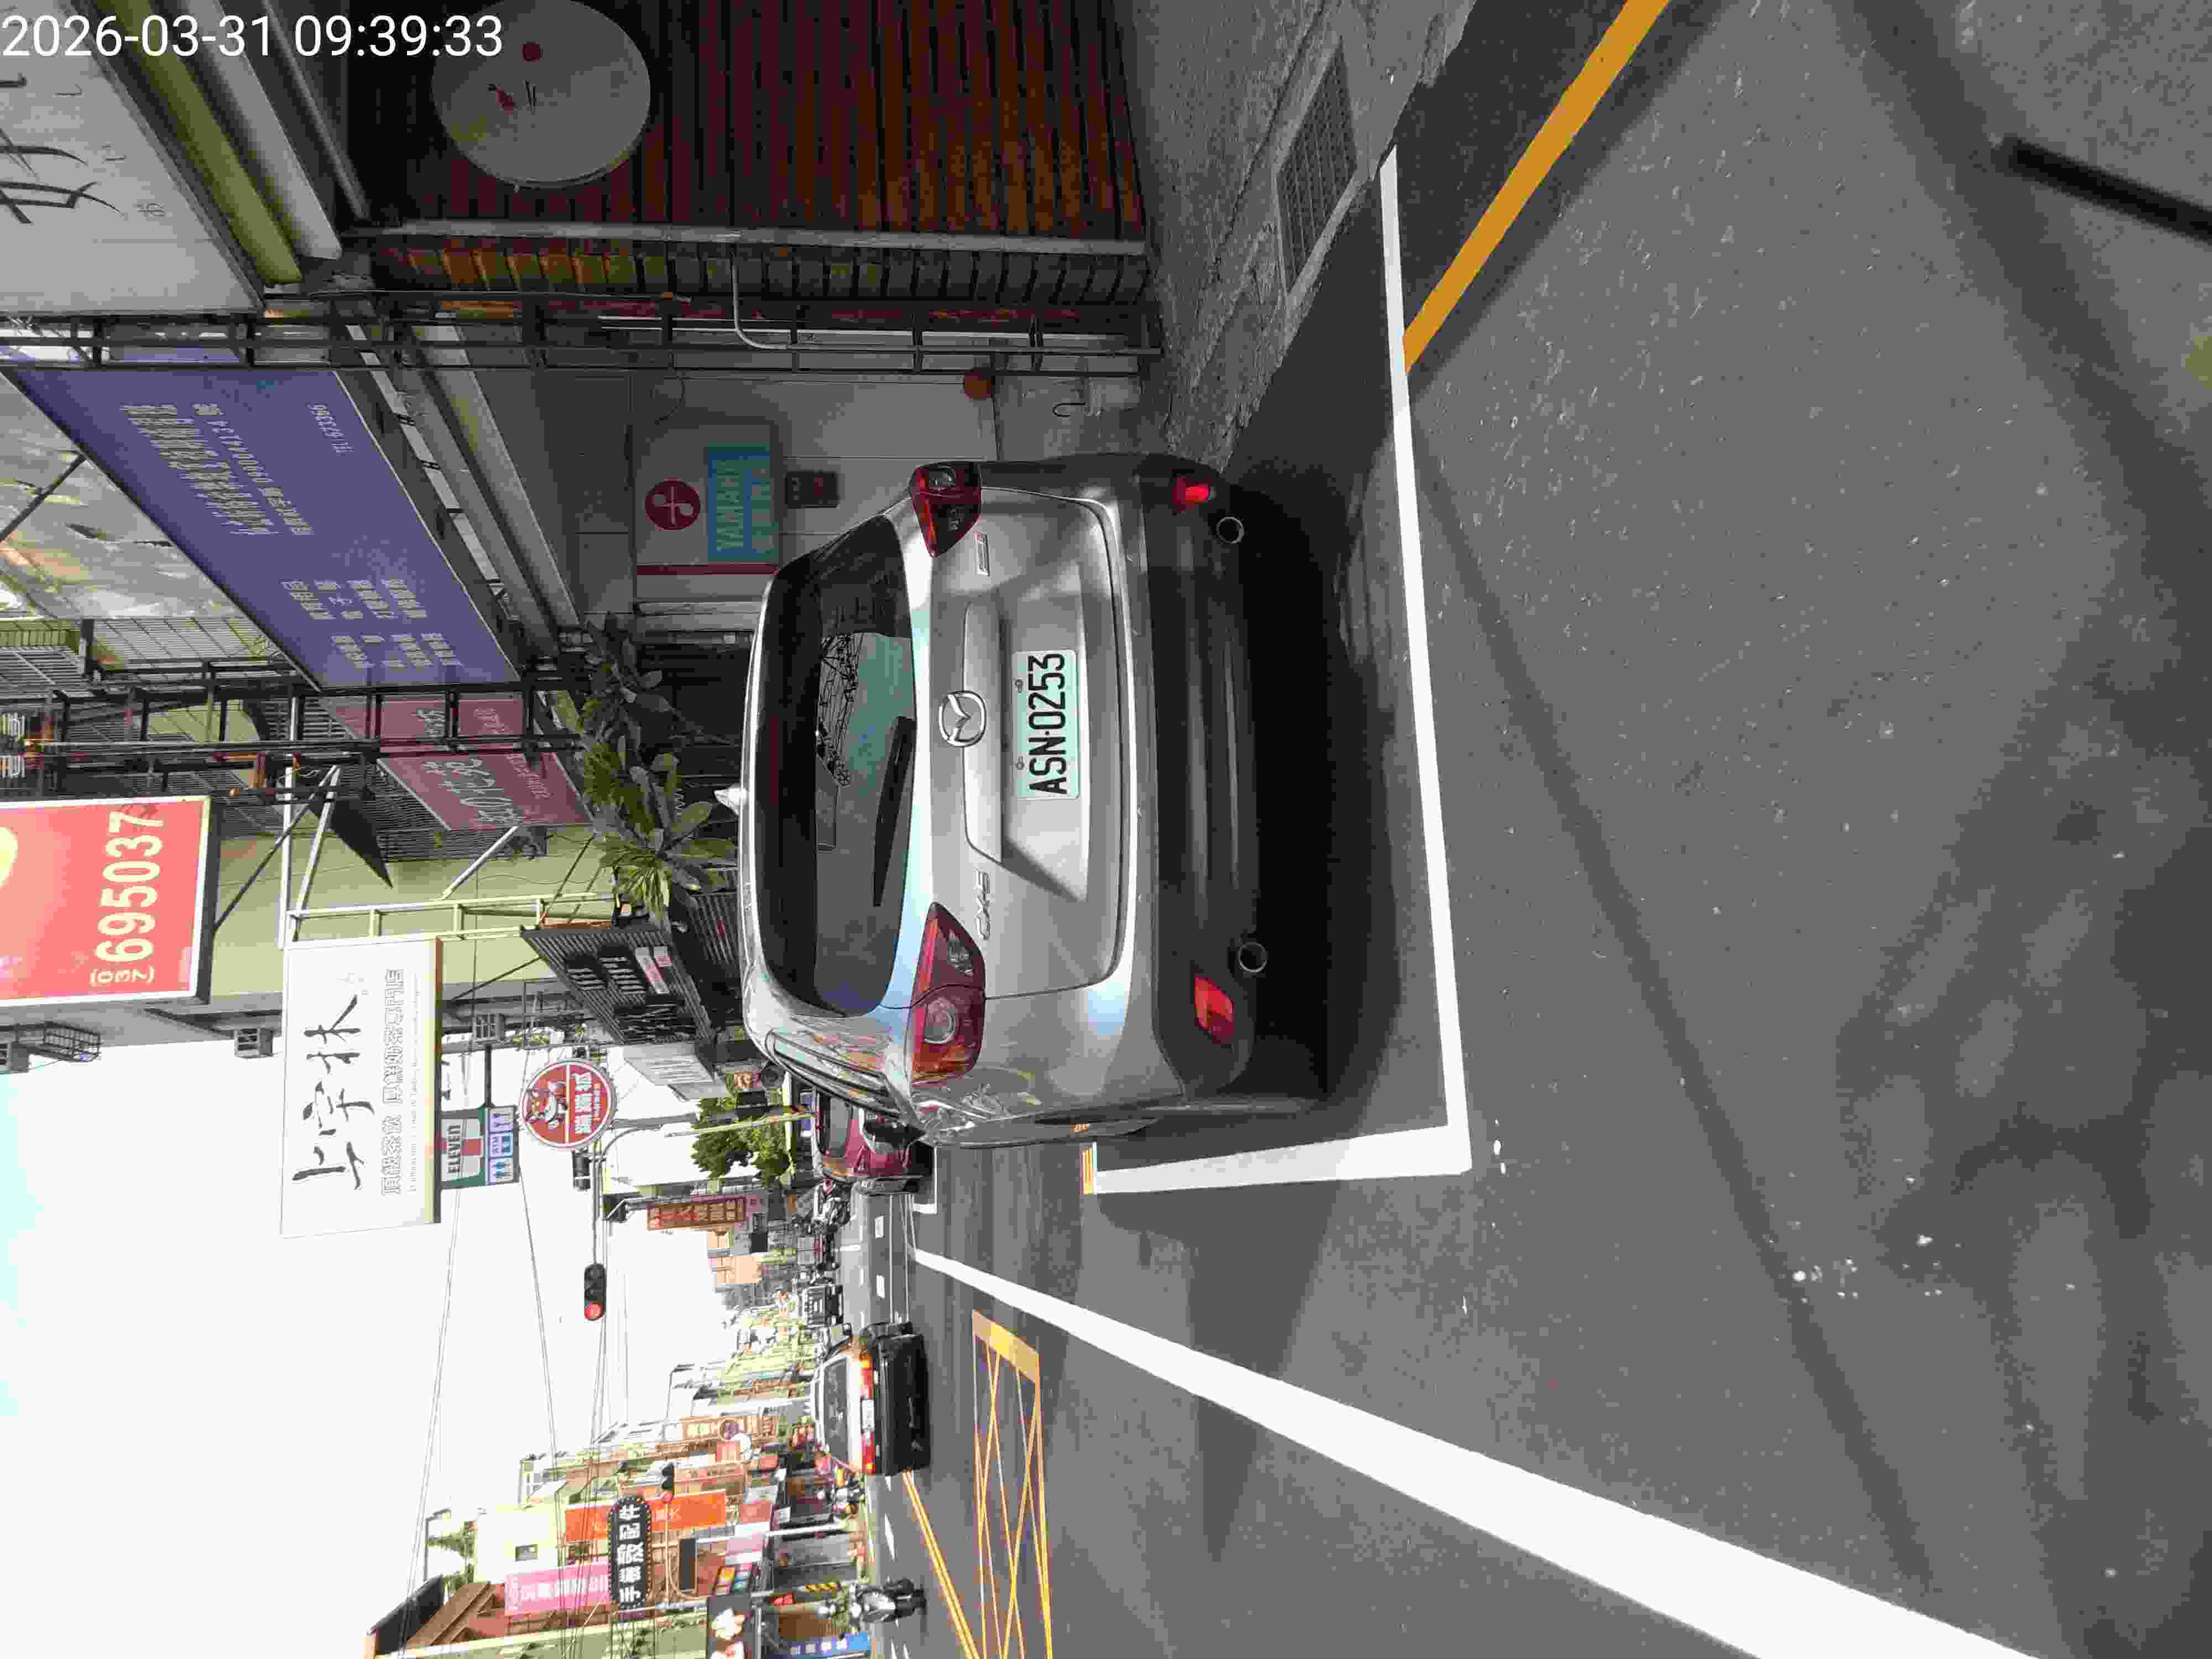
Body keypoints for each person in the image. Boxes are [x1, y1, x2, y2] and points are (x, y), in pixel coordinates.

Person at [853, 1577, 925, 1625]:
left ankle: (907, 1586)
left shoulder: (861, 1596)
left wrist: (878, 1589)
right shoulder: (865, 1618)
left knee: (892, 1588)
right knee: (893, 1616)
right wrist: (883, 1619)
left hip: (882, 1596)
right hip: (882, 1609)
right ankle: (908, 1609)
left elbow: (870, 1588)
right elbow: (875, 1620)